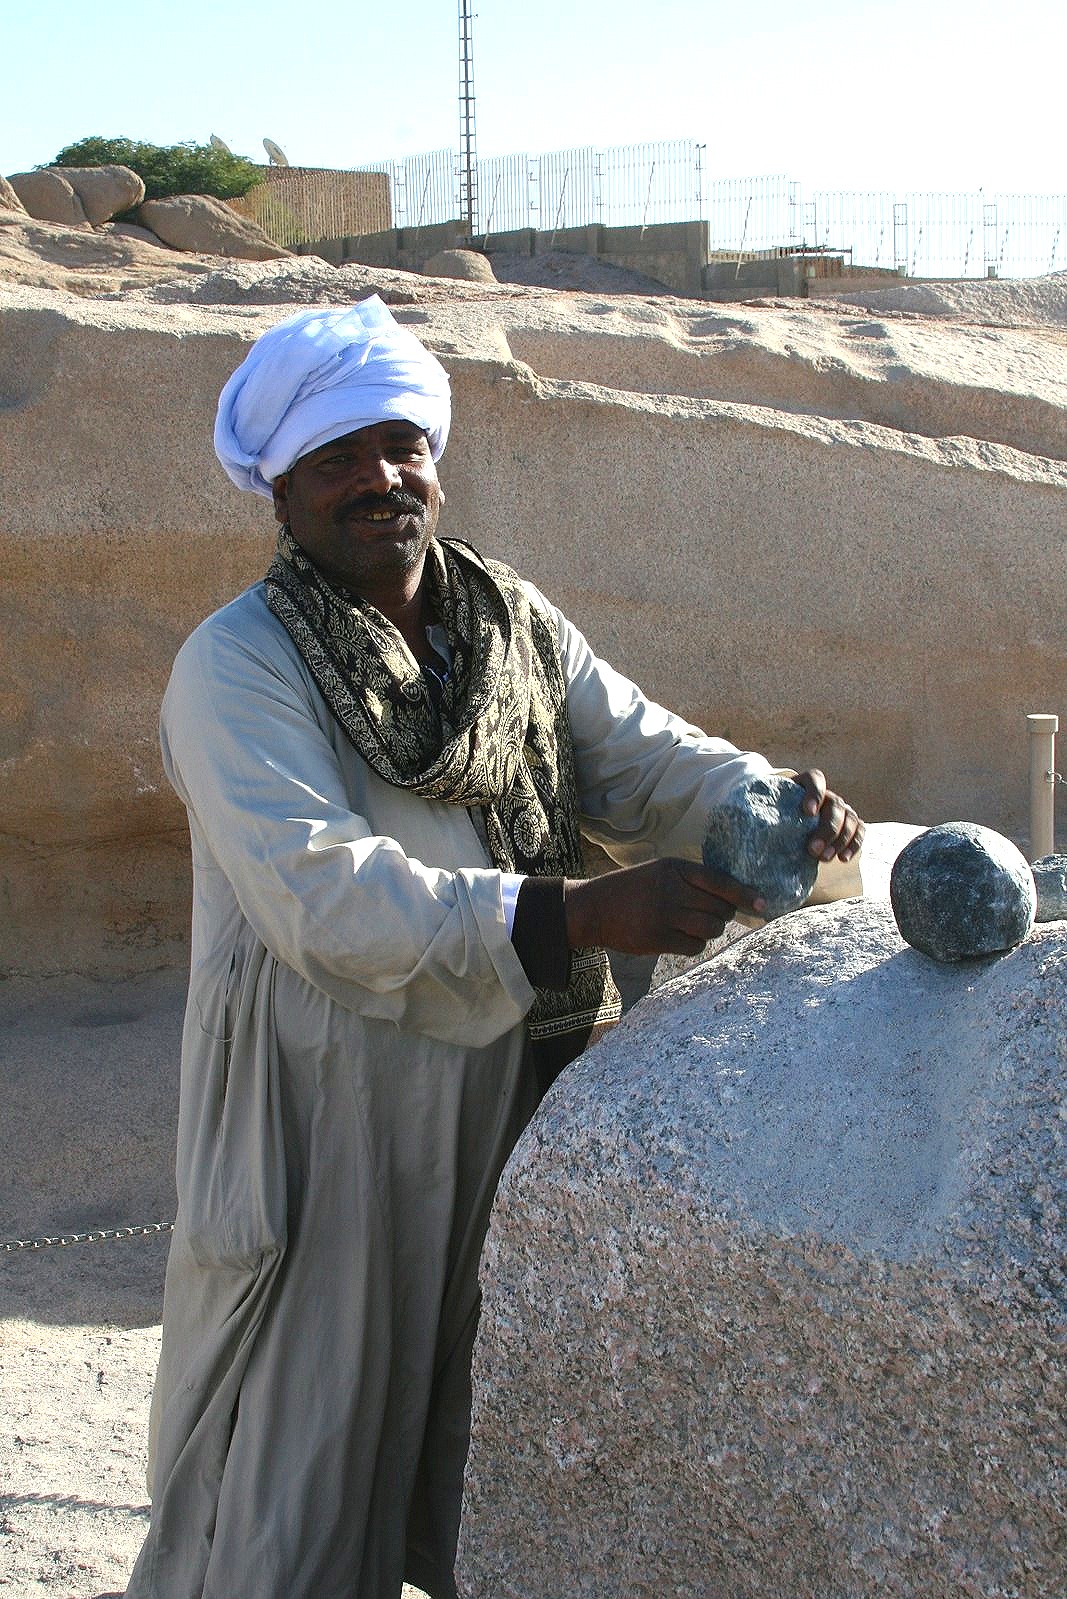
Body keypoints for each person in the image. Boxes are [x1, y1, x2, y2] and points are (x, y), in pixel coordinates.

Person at [126, 296, 863, 1599]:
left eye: (399, 445)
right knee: (295, 1488)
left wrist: (772, 808)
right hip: (330, 1122)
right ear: (281, 490)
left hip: (524, 1094)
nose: (379, 479)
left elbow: (646, 759)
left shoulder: (507, 623)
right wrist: (580, 916)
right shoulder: (235, 667)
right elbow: (325, 901)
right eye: (338, 459)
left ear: (438, 457)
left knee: (507, 1458)